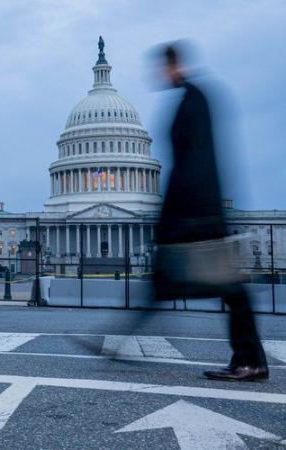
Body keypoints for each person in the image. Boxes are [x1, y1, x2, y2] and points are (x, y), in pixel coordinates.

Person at [154, 42, 268, 381]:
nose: (160, 75)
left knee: (230, 287)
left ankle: (251, 360)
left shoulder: (193, 100)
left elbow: (192, 164)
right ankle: (248, 357)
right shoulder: (195, 97)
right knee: (228, 287)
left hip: (199, 210)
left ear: (173, 65)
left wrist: (177, 217)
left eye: (163, 67)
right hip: (200, 209)